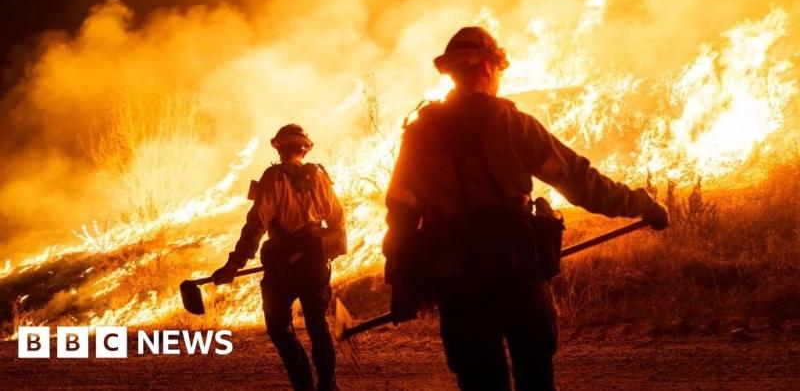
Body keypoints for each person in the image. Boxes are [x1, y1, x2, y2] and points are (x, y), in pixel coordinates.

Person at [382, 26, 669, 391]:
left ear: (452, 72)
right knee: (535, 377)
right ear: (488, 67)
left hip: (457, 280)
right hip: (515, 271)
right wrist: (642, 204)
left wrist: (400, 278)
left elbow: (402, 213)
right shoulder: (513, 125)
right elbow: (581, 183)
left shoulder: (419, 135)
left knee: (481, 382)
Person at [212, 124, 347, 391]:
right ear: (305, 148)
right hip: (316, 265)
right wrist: (321, 253)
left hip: (283, 266)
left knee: (278, 326)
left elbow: (256, 224)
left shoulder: (273, 177)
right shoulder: (321, 176)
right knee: (317, 325)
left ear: (279, 147)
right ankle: (328, 385)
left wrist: (234, 264)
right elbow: (337, 221)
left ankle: (303, 385)